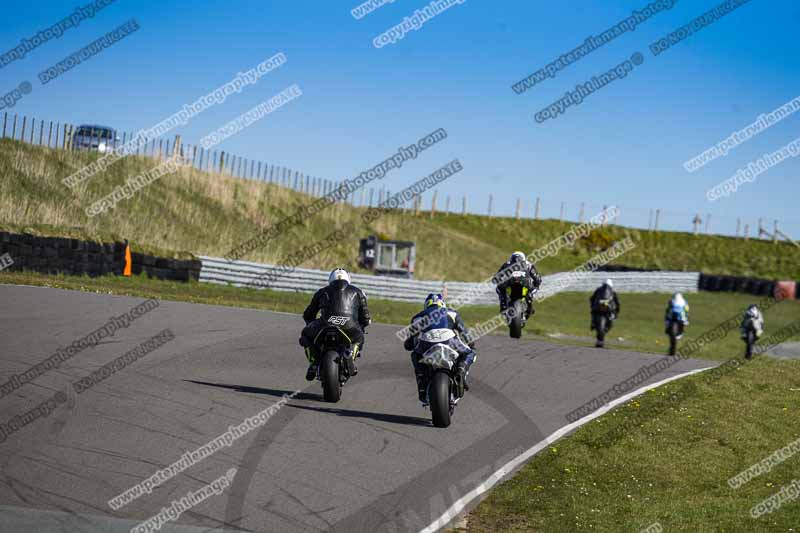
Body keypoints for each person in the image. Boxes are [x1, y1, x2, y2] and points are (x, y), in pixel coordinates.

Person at [403, 293, 476, 404]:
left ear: (426, 305)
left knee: (415, 355)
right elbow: (465, 334)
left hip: (427, 341)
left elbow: (410, 343)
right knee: (470, 353)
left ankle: (422, 382)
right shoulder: (452, 313)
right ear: (442, 304)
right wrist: (471, 343)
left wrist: (409, 345)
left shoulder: (417, 317)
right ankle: (461, 369)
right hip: (449, 340)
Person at [299, 268, 371, 381]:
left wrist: (310, 323)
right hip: (350, 326)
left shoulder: (322, 291)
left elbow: (308, 314)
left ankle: (313, 363)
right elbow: (366, 318)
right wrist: (362, 326)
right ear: (348, 279)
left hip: (325, 325)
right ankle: (350, 356)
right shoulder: (358, 292)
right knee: (359, 338)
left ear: (330, 279)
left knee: (305, 334)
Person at [495, 251, 542, 319]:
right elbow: (536, 277)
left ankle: (503, 305)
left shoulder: (507, 264)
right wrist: (537, 284)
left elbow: (498, 275)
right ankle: (529, 305)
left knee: (499, 288)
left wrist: (498, 279)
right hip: (523, 283)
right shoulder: (528, 264)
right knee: (500, 288)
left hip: (513, 283)